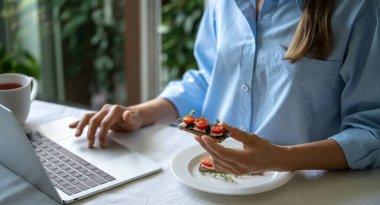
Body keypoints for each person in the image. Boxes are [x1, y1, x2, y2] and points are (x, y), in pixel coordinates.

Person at [69, 0, 380, 175]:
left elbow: (371, 132)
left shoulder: (358, 8)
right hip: (219, 184)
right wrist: (137, 114)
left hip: (309, 201)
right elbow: (210, 79)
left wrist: (280, 157)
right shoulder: (221, 4)